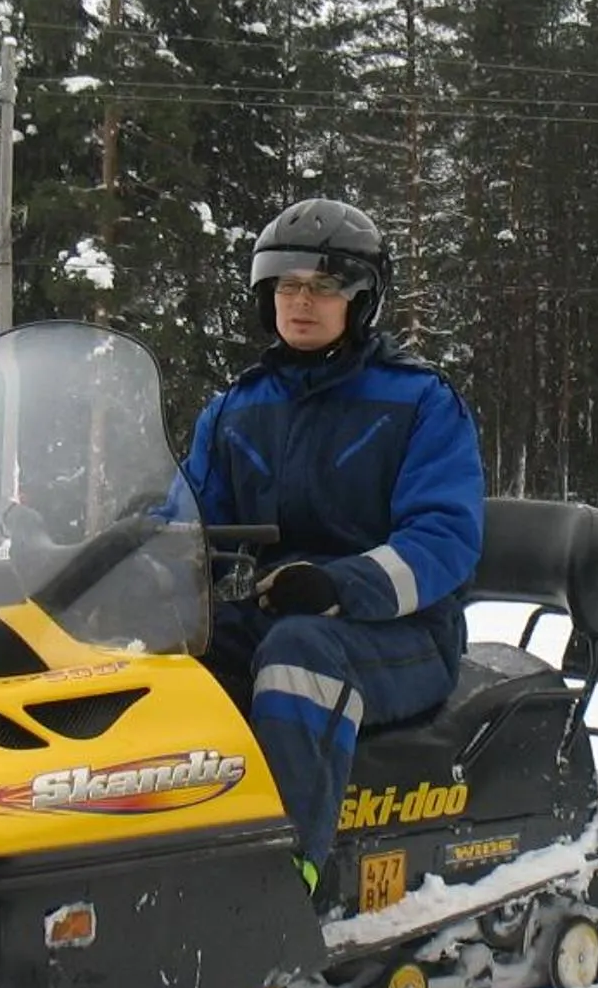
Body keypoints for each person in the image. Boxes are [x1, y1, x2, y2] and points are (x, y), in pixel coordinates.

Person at [180, 199, 485, 908]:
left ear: (363, 300)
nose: (301, 302)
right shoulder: (235, 409)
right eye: (286, 287)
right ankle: (152, 852)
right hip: (274, 612)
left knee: (299, 654)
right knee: (171, 655)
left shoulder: (419, 402)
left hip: (402, 634)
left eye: (322, 287)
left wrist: (341, 584)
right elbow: (191, 527)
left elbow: (444, 538)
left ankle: (286, 885)